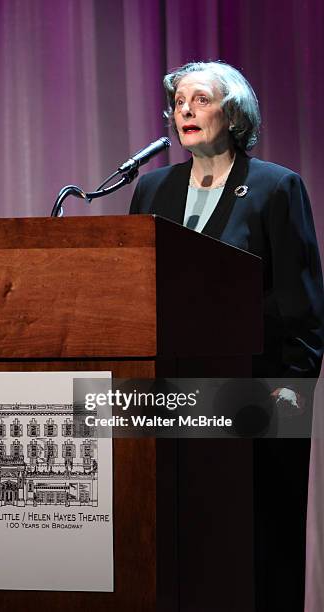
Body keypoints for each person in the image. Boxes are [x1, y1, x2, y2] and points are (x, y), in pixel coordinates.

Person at [129, 61, 324, 611]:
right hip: (170, 401)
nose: (184, 111)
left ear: (233, 113)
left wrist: (287, 399)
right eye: (178, 102)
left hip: (260, 396)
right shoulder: (150, 189)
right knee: (182, 549)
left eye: (200, 100)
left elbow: (303, 307)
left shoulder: (275, 187)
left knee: (261, 549)